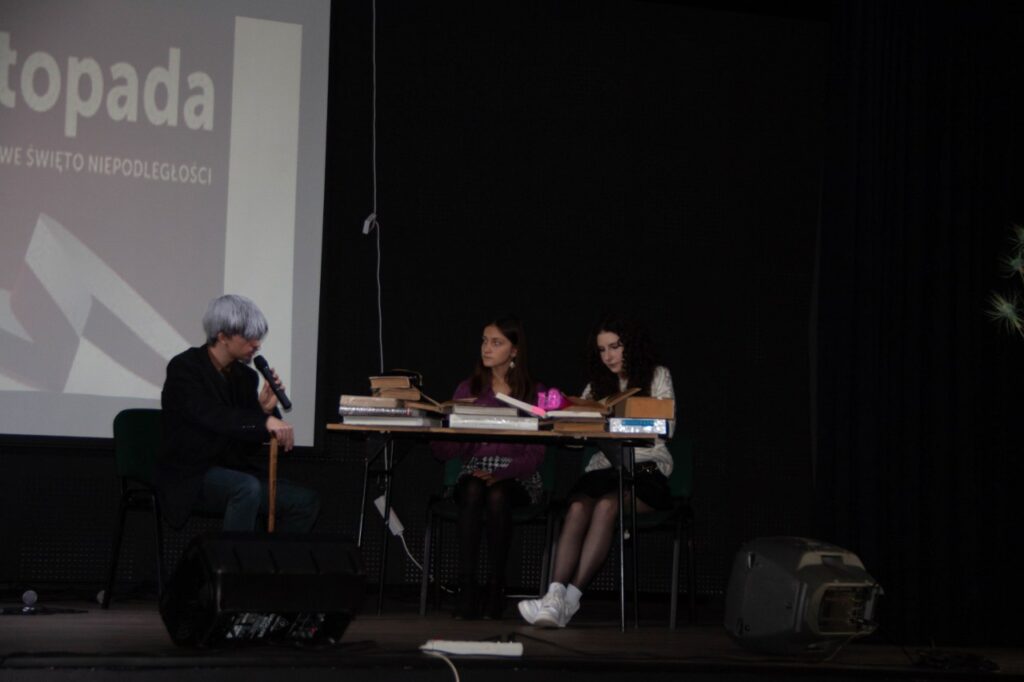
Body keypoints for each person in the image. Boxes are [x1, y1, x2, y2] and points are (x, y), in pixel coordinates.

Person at [517, 315, 675, 628]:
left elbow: (666, 427)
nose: (608, 356)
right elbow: (575, 435)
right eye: (602, 350)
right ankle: (554, 595)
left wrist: (613, 424)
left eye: (615, 347)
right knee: (577, 507)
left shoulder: (657, 375)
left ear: (631, 345)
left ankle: (569, 601)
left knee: (606, 507)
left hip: (644, 469)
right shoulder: (596, 386)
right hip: (604, 469)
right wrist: (566, 421)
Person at [155, 294, 319, 533]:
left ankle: (268, 556)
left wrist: (263, 410)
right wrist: (263, 420)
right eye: (249, 337)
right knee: (246, 488)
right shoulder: (185, 368)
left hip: (236, 471)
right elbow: (213, 416)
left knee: (304, 501)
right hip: (192, 473)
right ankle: (234, 556)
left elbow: (246, 443)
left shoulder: (246, 377)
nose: (257, 344)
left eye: (258, 337)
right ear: (222, 336)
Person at [431, 317, 546, 619]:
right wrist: (445, 427)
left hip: (518, 476)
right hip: (475, 471)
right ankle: (467, 586)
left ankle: (496, 586)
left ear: (514, 350)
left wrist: (501, 474)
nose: (487, 348)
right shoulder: (469, 388)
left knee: (497, 495)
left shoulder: (533, 392)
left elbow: (536, 453)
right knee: (472, 487)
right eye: (484, 341)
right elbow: (446, 453)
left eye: (496, 342)